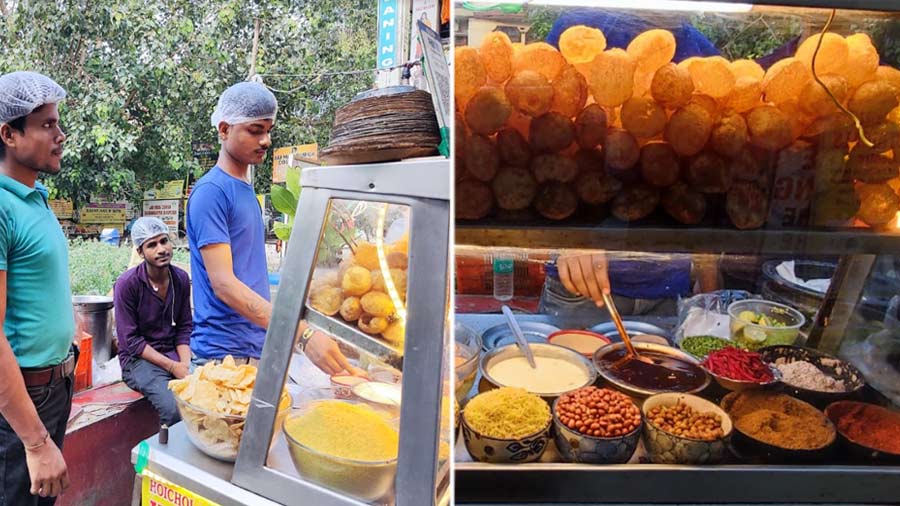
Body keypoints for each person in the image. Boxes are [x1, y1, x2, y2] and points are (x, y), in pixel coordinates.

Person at [187, 81, 361, 375]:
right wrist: (302, 335)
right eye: (255, 131)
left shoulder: (244, 189)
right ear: (224, 130)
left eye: (268, 130)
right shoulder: (212, 192)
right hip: (223, 359)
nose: (266, 140)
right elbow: (224, 284)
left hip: (254, 347)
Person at [0, 71, 72, 504]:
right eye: (47, 125)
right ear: (8, 134)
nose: (60, 135)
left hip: (54, 388)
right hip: (22, 399)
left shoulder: (35, 196)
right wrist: (37, 442)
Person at [114, 217, 192, 426]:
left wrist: (185, 365)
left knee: (199, 397)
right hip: (138, 360)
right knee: (174, 409)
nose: (161, 249)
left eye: (164, 241)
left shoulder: (181, 279)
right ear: (140, 252)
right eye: (152, 245)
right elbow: (131, 341)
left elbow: (184, 327)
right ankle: (165, 456)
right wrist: (173, 366)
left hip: (172, 353)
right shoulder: (127, 284)